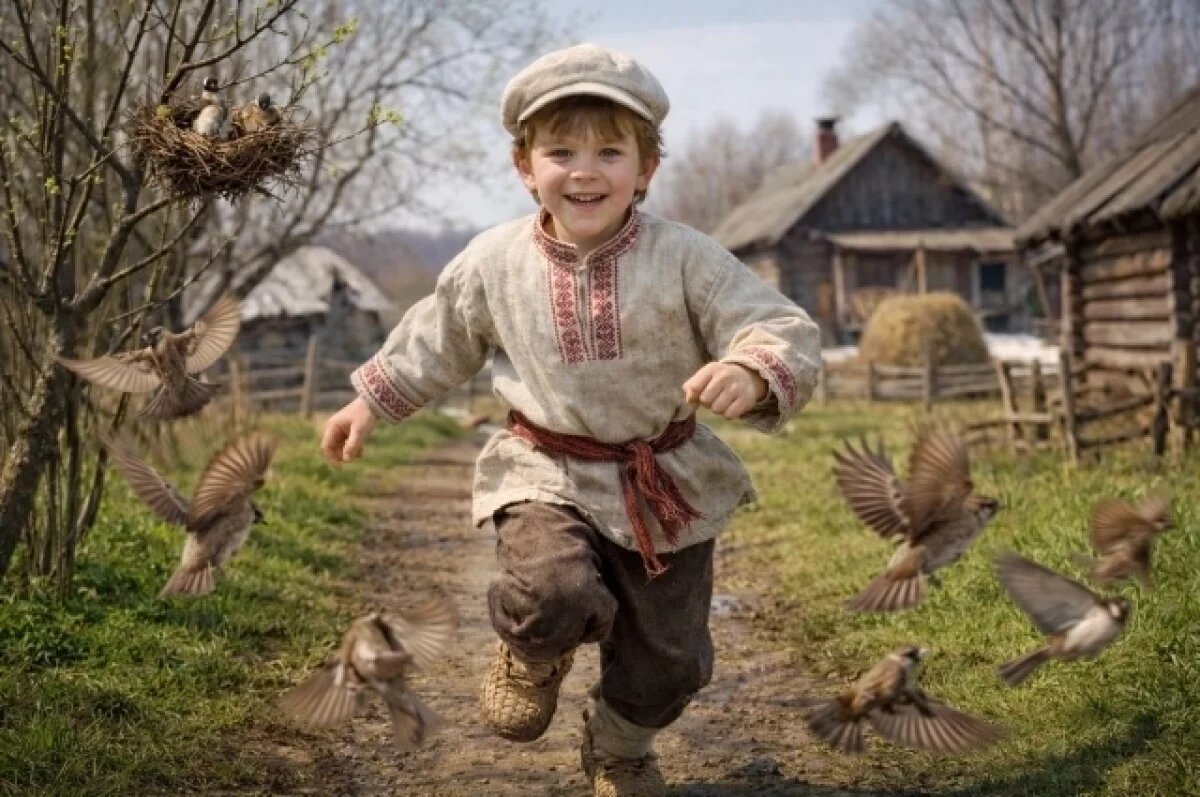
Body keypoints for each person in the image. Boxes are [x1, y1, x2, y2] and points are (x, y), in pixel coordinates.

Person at [320, 42, 822, 797]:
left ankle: (619, 748)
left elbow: (777, 324)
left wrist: (751, 369)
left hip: (663, 479)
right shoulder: (493, 261)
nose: (584, 170)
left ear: (646, 167)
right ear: (526, 166)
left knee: (673, 661)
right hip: (544, 466)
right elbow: (439, 336)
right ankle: (533, 650)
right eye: (560, 150)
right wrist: (370, 399)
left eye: (610, 151)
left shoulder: (686, 258)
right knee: (550, 589)